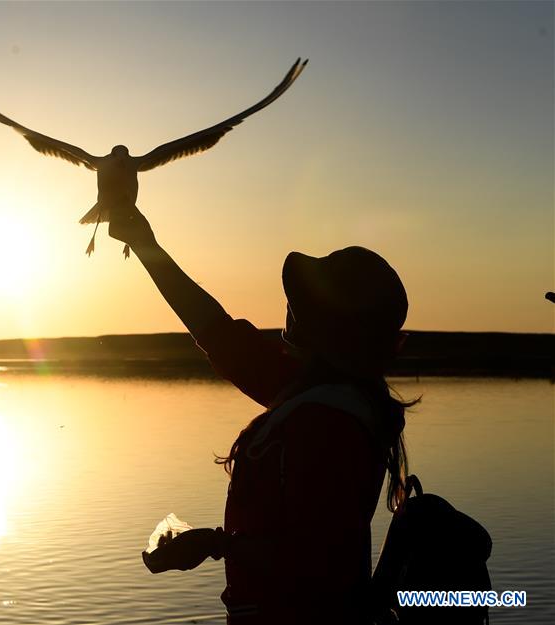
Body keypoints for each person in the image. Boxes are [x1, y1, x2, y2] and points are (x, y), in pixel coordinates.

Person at [109, 207, 414, 625]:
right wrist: (145, 245)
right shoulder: (315, 392)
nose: (288, 312)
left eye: (300, 304)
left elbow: (318, 562)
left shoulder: (328, 423)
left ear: (323, 329)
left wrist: (215, 544)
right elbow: (218, 332)